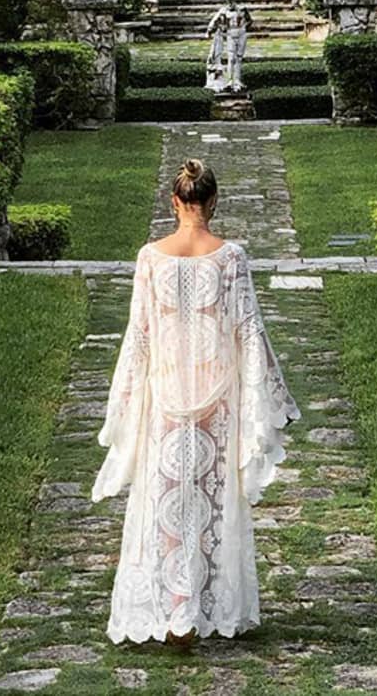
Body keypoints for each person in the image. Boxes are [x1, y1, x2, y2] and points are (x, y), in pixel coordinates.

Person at [92, 159, 299, 646]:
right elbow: (249, 332)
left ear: (174, 203)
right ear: (213, 202)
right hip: (216, 395)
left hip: (164, 394)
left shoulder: (150, 257)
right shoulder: (231, 257)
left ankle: (174, 612)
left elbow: (138, 336)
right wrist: (270, 398)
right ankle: (202, 607)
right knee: (210, 503)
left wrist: (124, 399)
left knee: (166, 499)